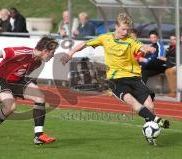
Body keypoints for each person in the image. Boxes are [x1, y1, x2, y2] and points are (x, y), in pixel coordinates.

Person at [61, 13, 170, 145]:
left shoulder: (130, 40)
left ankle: (150, 130)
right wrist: (70, 53)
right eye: (123, 29)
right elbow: (84, 44)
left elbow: (141, 46)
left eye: (127, 30)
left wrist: (147, 48)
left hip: (134, 78)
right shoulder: (105, 38)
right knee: (133, 103)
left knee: (150, 106)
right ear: (116, 26)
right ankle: (157, 121)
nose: (125, 32)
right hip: (116, 80)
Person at [0, 35, 58, 147]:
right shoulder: (23, 52)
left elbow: (25, 75)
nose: (53, 55)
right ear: (45, 51)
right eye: (52, 52)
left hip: (18, 81)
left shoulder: (39, 62)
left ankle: (39, 136)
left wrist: (32, 86)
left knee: (40, 97)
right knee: (10, 107)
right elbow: (1, 53)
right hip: (1, 79)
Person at [159, 33, 177, 98]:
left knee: (170, 71)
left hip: (178, 65)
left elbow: (177, 59)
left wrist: (166, 59)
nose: (172, 41)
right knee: (167, 71)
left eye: (174, 39)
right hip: (173, 65)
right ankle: (173, 91)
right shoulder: (171, 47)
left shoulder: (180, 47)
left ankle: (174, 92)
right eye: (171, 40)